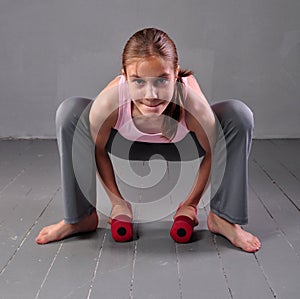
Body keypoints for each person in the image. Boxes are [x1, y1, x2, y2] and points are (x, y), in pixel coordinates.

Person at [36, 28, 261, 252]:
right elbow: (97, 147)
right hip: (124, 145)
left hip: (186, 146)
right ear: (124, 76)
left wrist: (190, 205)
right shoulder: (110, 101)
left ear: (176, 73)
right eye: (138, 82)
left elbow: (214, 151)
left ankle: (223, 218)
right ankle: (79, 218)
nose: (151, 95)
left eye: (162, 80)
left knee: (237, 114)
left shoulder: (192, 104)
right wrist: (118, 204)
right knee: (71, 111)